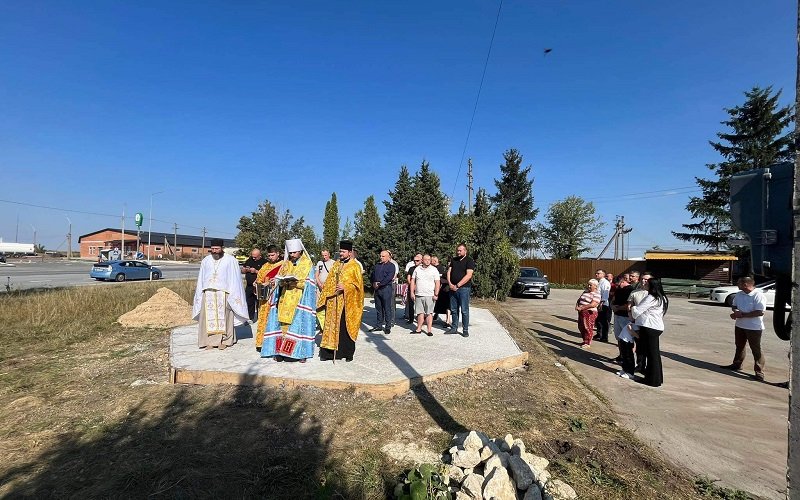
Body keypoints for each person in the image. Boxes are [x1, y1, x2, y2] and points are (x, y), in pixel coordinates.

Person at [260, 238, 317, 362]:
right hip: (284, 299)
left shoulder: (308, 264)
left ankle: (300, 353)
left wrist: (297, 283)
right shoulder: (286, 264)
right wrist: (281, 281)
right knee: (282, 326)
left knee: (298, 326)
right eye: (290, 253)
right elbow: (278, 279)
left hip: (300, 300)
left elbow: (311, 284)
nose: (292, 255)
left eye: (294, 253)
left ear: (300, 251)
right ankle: (280, 352)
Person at [191, 239, 249, 350]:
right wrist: (201, 292)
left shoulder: (231, 260)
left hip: (224, 293)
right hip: (208, 293)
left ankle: (225, 341)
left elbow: (235, 279)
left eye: (217, 249)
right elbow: (201, 278)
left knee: (225, 318)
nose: (214, 251)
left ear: (222, 248)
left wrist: (233, 294)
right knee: (207, 318)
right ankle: (209, 341)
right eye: (212, 249)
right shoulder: (206, 260)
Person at [318, 240, 364, 362]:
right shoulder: (337, 264)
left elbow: (358, 286)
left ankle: (347, 353)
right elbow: (329, 281)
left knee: (344, 327)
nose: (341, 253)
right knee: (330, 326)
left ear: (350, 252)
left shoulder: (355, 266)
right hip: (333, 301)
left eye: (343, 252)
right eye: (340, 251)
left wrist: (346, 287)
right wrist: (326, 295)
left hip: (346, 302)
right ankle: (328, 353)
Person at [720, 276, 767, 381]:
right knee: (739, 345)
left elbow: (760, 312)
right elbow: (734, 306)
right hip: (740, 325)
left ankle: (759, 371)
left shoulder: (758, 295)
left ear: (745, 285)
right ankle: (737, 364)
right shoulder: (739, 294)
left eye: (739, 283)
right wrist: (736, 312)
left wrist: (742, 315)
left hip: (754, 327)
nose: (737, 285)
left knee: (756, 348)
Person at [631, 276, 669, 387]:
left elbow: (637, 311)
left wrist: (632, 307)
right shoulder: (662, 297)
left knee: (651, 355)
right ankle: (657, 378)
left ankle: (652, 380)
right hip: (655, 327)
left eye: (647, 283)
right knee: (655, 354)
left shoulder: (651, 298)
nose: (645, 284)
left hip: (649, 327)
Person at [254, 245, 284, 350]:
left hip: (276, 298)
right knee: (263, 320)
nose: (270, 257)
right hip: (264, 299)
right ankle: (261, 343)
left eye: (272, 255)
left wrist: (274, 282)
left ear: (278, 254)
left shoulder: (283, 265)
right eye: (269, 255)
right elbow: (259, 279)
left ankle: (273, 344)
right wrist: (257, 284)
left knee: (274, 321)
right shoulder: (265, 265)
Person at [445, 244, 475, 337]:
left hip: (464, 289)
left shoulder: (469, 261)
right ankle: (454, 328)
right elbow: (449, 272)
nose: (458, 252)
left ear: (465, 251)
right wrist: (450, 284)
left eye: (460, 250)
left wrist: (457, 285)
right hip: (452, 288)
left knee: (464, 310)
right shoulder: (453, 260)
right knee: (454, 309)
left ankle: (465, 330)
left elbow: (469, 275)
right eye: (457, 250)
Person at [611, 275, 635, 378]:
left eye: (619, 284)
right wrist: (613, 306)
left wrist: (619, 308)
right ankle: (622, 356)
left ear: (623, 281)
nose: (618, 286)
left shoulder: (630, 290)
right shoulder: (618, 289)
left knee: (627, 340)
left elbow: (629, 305)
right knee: (619, 338)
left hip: (626, 317)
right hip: (617, 315)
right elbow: (613, 299)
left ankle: (630, 362)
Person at [410, 254, 440, 336]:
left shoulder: (434, 270)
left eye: (429, 259)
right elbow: (413, 280)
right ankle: (418, 329)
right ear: (422, 260)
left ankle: (429, 330)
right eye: (426, 259)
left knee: (429, 313)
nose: (427, 261)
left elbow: (437, 282)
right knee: (420, 313)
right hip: (419, 294)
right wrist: (412, 292)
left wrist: (436, 294)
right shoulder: (417, 269)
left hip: (430, 295)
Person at [370, 250, 396, 334]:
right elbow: (373, 275)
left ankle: (388, 326)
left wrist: (380, 284)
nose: (381, 257)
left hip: (386, 288)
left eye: (383, 256)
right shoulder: (377, 265)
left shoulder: (391, 266)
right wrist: (373, 282)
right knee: (378, 308)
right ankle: (379, 325)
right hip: (377, 289)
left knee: (387, 308)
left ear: (388, 257)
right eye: (380, 256)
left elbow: (389, 277)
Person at [241, 248, 266, 322]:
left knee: (259, 303)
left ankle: (259, 318)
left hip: (259, 286)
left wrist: (256, 271)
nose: (253, 258)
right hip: (249, 286)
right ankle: (250, 318)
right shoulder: (249, 260)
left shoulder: (264, 262)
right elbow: (242, 270)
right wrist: (245, 270)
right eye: (253, 256)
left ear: (260, 255)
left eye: (255, 257)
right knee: (249, 302)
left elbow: (265, 274)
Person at [575, 279, 601, 349]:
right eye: (588, 284)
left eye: (591, 285)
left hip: (589, 312)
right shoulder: (585, 291)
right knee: (581, 326)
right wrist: (577, 306)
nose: (589, 286)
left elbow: (593, 304)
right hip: (581, 312)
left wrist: (582, 308)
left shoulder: (597, 294)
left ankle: (588, 342)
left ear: (595, 286)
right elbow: (579, 299)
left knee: (587, 327)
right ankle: (584, 340)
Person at [431, 255, 451, 327]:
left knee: (448, 306)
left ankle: (448, 321)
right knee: (441, 304)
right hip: (443, 289)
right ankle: (435, 315)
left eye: (450, 263)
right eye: (448, 263)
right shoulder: (446, 270)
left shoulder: (444, 269)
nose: (449, 264)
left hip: (449, 289)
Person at [594, 269, 611, 342]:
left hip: (603, 304)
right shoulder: (599, 282)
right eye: (596, 273)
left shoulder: (605, 282)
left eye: (598, 273)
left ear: (603, 274)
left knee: (603, 321)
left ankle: (604, 337)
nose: (596, 275)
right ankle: (599, 334)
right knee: (598, 320)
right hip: (598, 303)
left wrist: (601, 303)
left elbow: (605, 294)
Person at [404, 253, 422, 323]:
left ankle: (420, 319)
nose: (415, 262)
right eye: (414, 260)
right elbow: (408, 278)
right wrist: (412, 285)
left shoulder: (422, 269)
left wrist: (417, 286)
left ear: (421, 260)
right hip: (411, 288)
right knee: (411, 305)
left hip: (420, 288)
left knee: (420, 305)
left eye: (417, 260)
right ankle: (411, 319)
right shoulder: (411, 268)